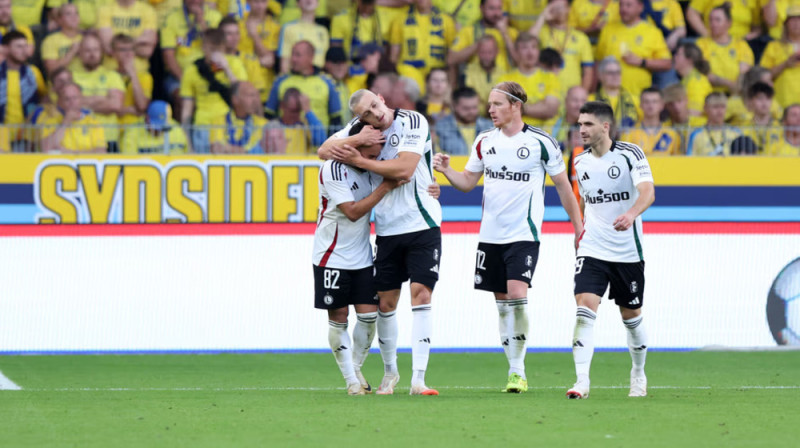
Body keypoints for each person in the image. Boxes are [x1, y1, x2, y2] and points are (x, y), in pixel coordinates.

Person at [433, 81, 583, 394]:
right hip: (490, 236)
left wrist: (578, 227)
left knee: (517, 294)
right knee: (501, 303)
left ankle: (519, 370)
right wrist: (448, 171)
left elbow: (564, 188)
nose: (490, 110)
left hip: (524, 234)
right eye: (490, 104)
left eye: (497, 104)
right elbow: (467, 182)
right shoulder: (484, 141)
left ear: (515, 105)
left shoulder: (542, 142)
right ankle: (514, 370)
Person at [318, 88, 443, 396]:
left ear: (382, 97)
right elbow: (323, 150)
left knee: (421, 294)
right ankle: (390, 374)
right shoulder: (362, 131)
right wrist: (357, 141)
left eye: (376, 105)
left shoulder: (412, 121)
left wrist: (362, 160)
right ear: (361, 119)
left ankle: (419, 379)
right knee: (385, 305)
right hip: (386, 230)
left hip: (422, 223)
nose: (377, 114)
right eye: (368, 114)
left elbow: (405, 169)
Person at [566, 100, 655, 400]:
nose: (582, 130)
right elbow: (583, 200)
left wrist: (631, 214)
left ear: (605, 126)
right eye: (579, 125)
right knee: (584, 307)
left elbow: (648, 192)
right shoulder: (578, 161)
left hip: (627, 251)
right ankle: (581, 381)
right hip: (593, 247)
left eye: (588, 124)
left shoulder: (631, 154)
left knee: (631, 317)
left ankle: (638, 373)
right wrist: (578, 230)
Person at [313, 121, 405, 395]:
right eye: (374, 152)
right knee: (339, 316)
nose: (378, 159)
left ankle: (354, 368)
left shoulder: (370, 169)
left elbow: (405, 178)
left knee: (368, 317)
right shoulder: (333, 168)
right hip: (331, 255)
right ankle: (351, 380)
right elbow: (352, 212)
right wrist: (385, 188)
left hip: (363, 256)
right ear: (359, 146)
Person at [179, 27, 248, 153]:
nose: (214, 54)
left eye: (218, 50)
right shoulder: (192, 70)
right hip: (203, 126)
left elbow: (242, 94)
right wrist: (188, 142)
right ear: (203, 47)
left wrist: (227, 70)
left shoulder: (235, 64)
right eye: (211, 50)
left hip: (228, 126)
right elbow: (187, 110)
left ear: (224, 48)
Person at [595, 0, 672, 98]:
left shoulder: (652, 32)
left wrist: (642, 62)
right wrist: (593, 90)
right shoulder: (607, 29)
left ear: (640, 7)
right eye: (621, 5)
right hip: (608, 97)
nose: (623, 9)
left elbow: (667, 63)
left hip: (639, 98)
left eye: (628, 5)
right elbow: (598, 62)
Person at [265, 41, 343, 136]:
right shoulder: (280, 81)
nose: (293, 59)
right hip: (286, 146)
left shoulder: (327, 82)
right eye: (292, 54)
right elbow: (269, 116)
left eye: (298, 55)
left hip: (318, 145)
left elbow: (336, 119)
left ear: (311, 57)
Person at [161, 0, 223, 111]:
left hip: (210, 73)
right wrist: (185, 80)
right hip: (179, 75)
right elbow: (168, 55)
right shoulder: (171, 18)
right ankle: (180, 128)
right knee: (182, 98)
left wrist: (202, 23)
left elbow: (217, 50)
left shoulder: (215, 17)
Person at [388, 0, 456, 96]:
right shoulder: (399, 20)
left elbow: (452, 57)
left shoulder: (446, 20)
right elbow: (393, 57)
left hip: (437, 75)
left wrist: (452, 84)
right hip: (409, 74)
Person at [72, 32, 125, 153]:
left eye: (96, 49)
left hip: (108, 138)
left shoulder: (112, 76)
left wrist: (83, 102)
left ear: (101, 52)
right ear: (79, 53)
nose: (92, 54)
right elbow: (69, 105)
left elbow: (115, 105)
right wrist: (101, 98)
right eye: (87, 50)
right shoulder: (71, 77)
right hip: (79, 140)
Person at [529, 0, 594, 92]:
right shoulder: (541, 32)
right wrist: (543, 16)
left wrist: (580, 97)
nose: (559, 10)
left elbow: (588, 72)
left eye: (562, 6)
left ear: (568, 9)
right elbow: (527, 41)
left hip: (571, 96)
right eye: (555, 7)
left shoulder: (581, 37)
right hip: (544, 91)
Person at [499, 33, 560, 129]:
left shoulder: (550, 77)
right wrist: (540, 105)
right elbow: (501, 110)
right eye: (524, 48)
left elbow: (550, 110)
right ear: (516, 52)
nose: (530, 52)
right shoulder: (505, 80)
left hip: (543, 138)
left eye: (534, 47)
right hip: (514, 137)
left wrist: (520, 108)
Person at [0, 30, 45, 152]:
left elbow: (44, 97)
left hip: (27, 136)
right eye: (18, 46)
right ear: (5, 49)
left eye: (25, 46)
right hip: (2, 135)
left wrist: (34, 114)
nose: (24, 50)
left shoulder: (33, 72)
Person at [695, 4, 754, 95]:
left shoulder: (741, 45)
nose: (713, 24)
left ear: (729, 23)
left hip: (736, 94)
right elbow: (704, 72)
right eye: (711, 20)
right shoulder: (701, 44)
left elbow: (744, 72)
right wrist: (729, 84)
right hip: (709, 94)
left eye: (717, 20)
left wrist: (736, 89)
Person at [448, 0, 519, 74]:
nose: (496, 13)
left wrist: (505, 35)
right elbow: (451, 59)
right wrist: (478, 45)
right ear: (481, 8)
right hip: (475, 82)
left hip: (504, 82)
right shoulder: (469, 31)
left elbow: (521, 63)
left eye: (499, 8)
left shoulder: (511, 32)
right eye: (491, 8)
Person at [34, 83, 107, 154]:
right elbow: (46, 149)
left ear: (81, 99)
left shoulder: (93, 122)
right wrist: (65, 123)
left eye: (75, 98)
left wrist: (66, 152)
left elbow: (101, 152)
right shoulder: (50, 121)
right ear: (60, 102)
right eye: (67, 99)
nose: (72, 102)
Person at [238, 0, 281, 103]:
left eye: (263, 2)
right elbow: (233, 54)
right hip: (242, 81)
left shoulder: (274, 27)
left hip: (265, 85)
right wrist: (257, 60)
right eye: (256, 2)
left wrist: (254, 35)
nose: (260, 6)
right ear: (248, 2)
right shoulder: (239, 24)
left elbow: (269, 59)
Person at [97, 0, 157, 73]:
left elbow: (147, 51)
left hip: (140, 73)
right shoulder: (105, 10)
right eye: (123, 49)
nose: (127, 52)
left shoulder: (147, 10)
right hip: (111, 73)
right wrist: (138, 42)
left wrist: (119, 47)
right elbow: (108, 48)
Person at [210, 81, 269, 154]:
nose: (255, 100)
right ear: (235, 99)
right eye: (250, 95)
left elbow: (257, 151)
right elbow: (217, 149)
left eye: (256, 95)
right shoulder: (218, 121)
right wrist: (246, 151)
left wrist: (228, 149)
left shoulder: (264, 124)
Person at [621, 87, 683, 155]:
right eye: (646, 102)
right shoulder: (629, 134)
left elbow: (678, 161)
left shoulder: (672, 134)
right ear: (640, 105)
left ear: (662, 105)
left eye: (655, 102)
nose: (650, 106)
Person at [263, 87, 326, 154]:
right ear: (282, 105)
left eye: (298, 111)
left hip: (301, 164)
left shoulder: (305, 127)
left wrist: (308, 111)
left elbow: (322, 141)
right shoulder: (273, 127)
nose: (295, 115)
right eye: (292, 111)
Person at [760, 6, 800, 109]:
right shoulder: (773, 46)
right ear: (786, 24)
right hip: (781, 103)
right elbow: (763, 76)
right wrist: (785, 64)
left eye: (799, 19)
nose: (796, 23)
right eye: (792, 20)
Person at [434, 86, 493, 155]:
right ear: (454, 106)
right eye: (466, 108)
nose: (471, 112)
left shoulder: (490, 127)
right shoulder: (440, 127)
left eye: (475, 107)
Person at [113, 34, 153, 130]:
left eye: (131, 49)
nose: (128, 53)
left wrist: (133, 74)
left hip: (135, 132)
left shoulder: (145, 77)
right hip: (112, 130)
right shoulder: (108, 76)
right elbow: (108, 108)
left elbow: (142, 106)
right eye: (123, 50)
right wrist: (130, 110)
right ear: (114, 53)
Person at [277, 0, 329, 72]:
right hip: (295, 78)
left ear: (318, 3)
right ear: (297, 4)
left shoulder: (323, 31)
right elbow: (285, 62)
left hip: (317, 80)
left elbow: (323, 61)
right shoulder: (288, 28)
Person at [120, 100, 189, 154]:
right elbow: (129, 162)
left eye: (162, 128)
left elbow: (188, 154)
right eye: (155, 127)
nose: (159, 130)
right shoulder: (132, 133)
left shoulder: (177, 129)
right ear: (147, 119)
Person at [590, 56, 640, 131]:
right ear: (600, 75)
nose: (615, 76)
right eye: (610, 73)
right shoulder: (591, 100)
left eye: (618, 72)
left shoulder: (634, 100)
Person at [673, 42, 713, 128]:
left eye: (678, 55)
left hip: (697, 129)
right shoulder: (687, 79)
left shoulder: (696, 81)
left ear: (689, 60)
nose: (674, 57)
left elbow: (695, 113)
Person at [462, 35, 504, 109]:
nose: (486, 56)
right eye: (483, 52)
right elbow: (468, 99)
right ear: (477, 52)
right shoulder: (467, 72)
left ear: (497, 52)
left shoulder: (504, 73)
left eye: (490, 52)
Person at [41, 3, 83, 76]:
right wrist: (72, 52)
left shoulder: (85, 39)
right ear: (59, 20)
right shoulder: (50, 40)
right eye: (68, 14)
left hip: (86, 83)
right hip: (61, 84)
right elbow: (52, 70)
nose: (74, 17)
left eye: (76, 13)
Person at [687, 0, 760, 40]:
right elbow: (692, 12)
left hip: (742, 42)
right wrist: (706, 34)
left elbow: (757, 24)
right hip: (713, 40)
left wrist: (753, 35)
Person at [743, 82, 783, 154]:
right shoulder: (743, 126)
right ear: (751, 101)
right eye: (760, 98)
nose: (764, 103)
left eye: (768, 98)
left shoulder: (780, 126)